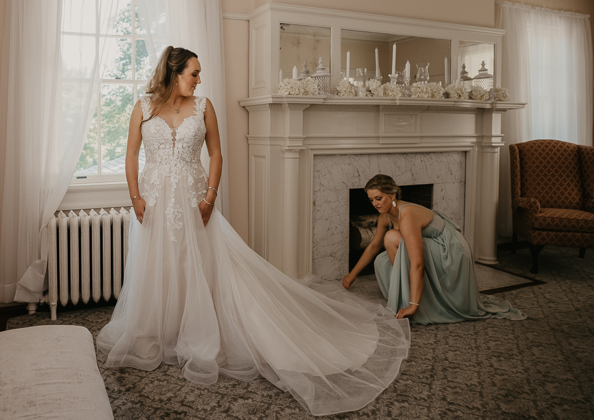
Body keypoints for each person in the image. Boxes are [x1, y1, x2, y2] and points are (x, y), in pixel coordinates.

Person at [96, 47, 410, 416]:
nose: (199, 80)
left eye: (199, 74)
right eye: (193, 73)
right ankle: (161, 332)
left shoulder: (204, 106)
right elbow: (131, 155)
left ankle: (199, 330)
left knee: (198, 264)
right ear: (172, 72)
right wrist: (134, 197)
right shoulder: (143, 107)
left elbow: (216, 154)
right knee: (160, 265)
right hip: (154, 200)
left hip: (195, 199)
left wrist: (211, 196)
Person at [342, 174, 526, 324]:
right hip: (432, 244)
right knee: (381, 261)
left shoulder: (406, 214)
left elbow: (418, 264)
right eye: (371, 200)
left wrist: (413, 305)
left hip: (450, 249)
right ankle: (406, 293)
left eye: (379, 198)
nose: (375, 203)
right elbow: (374, 246)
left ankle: (411, 300)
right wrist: (352, 275)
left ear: (392, 195)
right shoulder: (384, 217)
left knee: (390, 238)